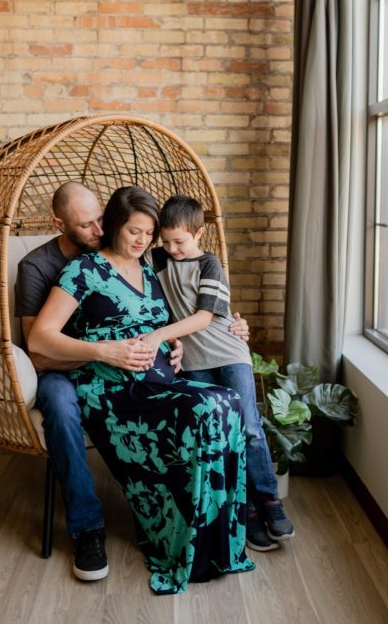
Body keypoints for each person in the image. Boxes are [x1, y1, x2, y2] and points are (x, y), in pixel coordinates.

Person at [15, 181, 248, 582]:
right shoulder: (81, 270)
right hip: (111, 385)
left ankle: (215, 540)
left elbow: (177, 308)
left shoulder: (148, 265)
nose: (142, 240)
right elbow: (38, 338)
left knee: (227, 402)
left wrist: (176, 340)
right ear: (115, 226)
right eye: (132, 231)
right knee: (207, 407)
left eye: (148, 233)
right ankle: (152, 538)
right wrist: (108, 350)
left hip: (159, 379)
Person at [143, 194, 294, 551]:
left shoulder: (209, 264)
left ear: (198, 233)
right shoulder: (159, 259)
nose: (172, 248)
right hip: (194, 363)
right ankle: (245, 512)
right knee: (221, 436)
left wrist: (156, 337)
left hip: (228, 354)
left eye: (180, 241)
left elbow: (204, 317)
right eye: (166, 241)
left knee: (250, 426)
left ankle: (269, 500)